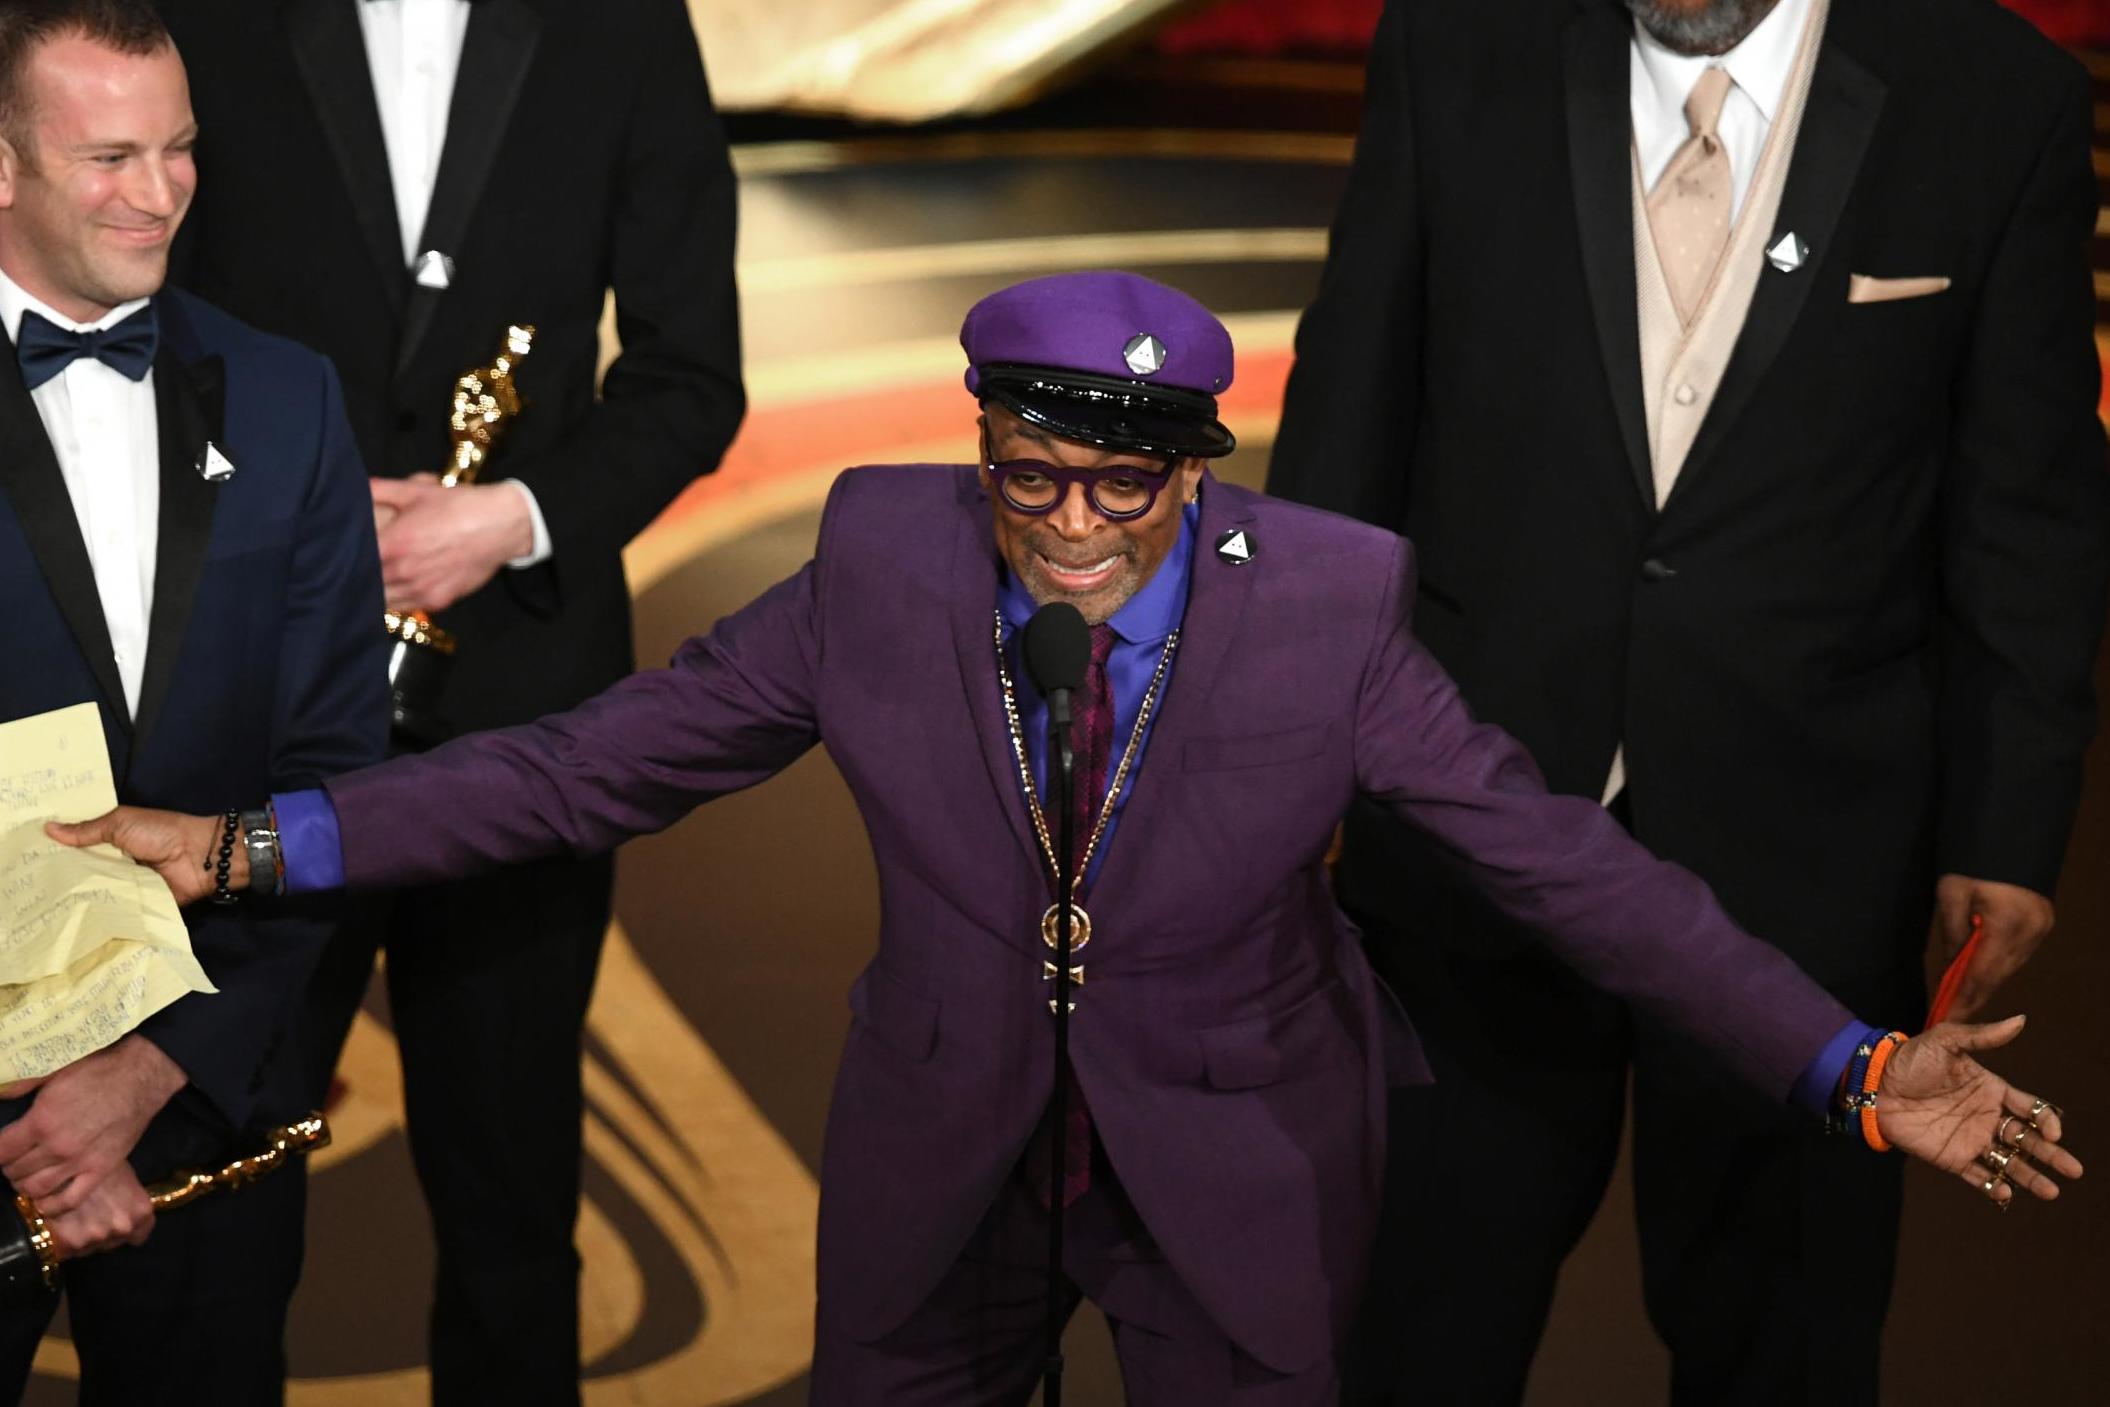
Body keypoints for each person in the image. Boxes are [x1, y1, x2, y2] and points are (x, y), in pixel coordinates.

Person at [56, 272, 2083, 1405]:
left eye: (1128, 493)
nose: (1077, 532)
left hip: (1243, 1164)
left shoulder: (1329, 606)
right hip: (942, 1158)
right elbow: (582, 764)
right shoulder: (879, 562)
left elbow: (1574, 866)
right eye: (1031, 482)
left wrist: (1850, 1061)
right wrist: (247, 849)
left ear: (1198, 473)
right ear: (978, 452)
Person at [1264, 0, 2110, 1401]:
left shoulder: (1993, 94)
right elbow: (1347, 416)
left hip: (1810, 858)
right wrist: (1286, 759)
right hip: (1466, 825)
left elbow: (2025, 507)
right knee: (1415, 1324)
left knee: (1780, 1346)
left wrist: (2009, 823)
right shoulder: (1455, 45)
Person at [157, 1, 746, 1396]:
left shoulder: (625, 29)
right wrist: (281, 513)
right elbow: (123, 299)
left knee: (513, 1199)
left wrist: (513, 519)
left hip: (524, 711)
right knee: (204, 1197)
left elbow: (689, 372)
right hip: (246, 695)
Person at [0, 2, 386, 1400]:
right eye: (110, 156)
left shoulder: (291, 398)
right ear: (0, 163)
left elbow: (338, 770)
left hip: (212, 1085)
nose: (158, 193)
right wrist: (40, 1122)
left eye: (180, 150)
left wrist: (153, 1068)